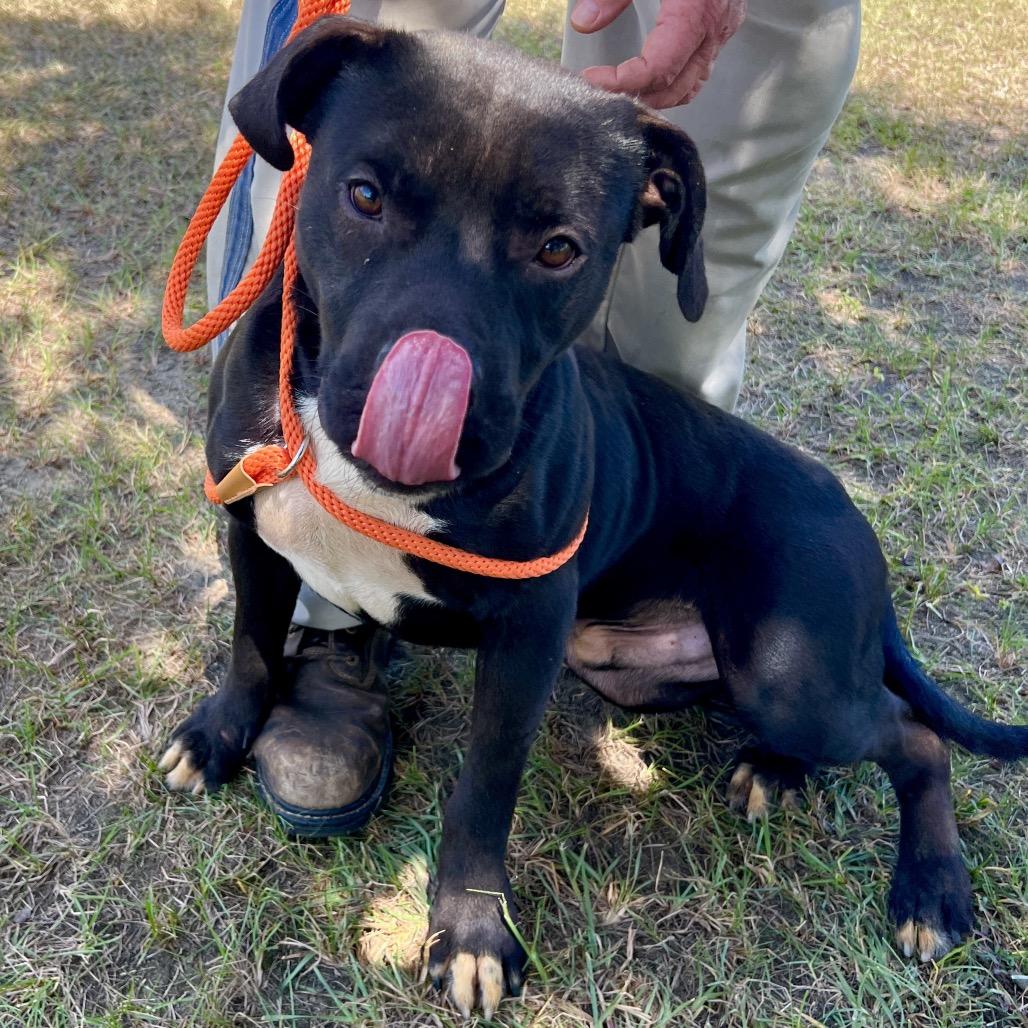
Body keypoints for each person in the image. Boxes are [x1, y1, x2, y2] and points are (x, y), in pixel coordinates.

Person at [205, 0, 860, 836]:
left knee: (660, 365)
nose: (431, 331)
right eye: (368, 198)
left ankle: (617, 557)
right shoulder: (257, 380)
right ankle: (326, 632)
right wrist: (239, 691)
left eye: (554, 248)